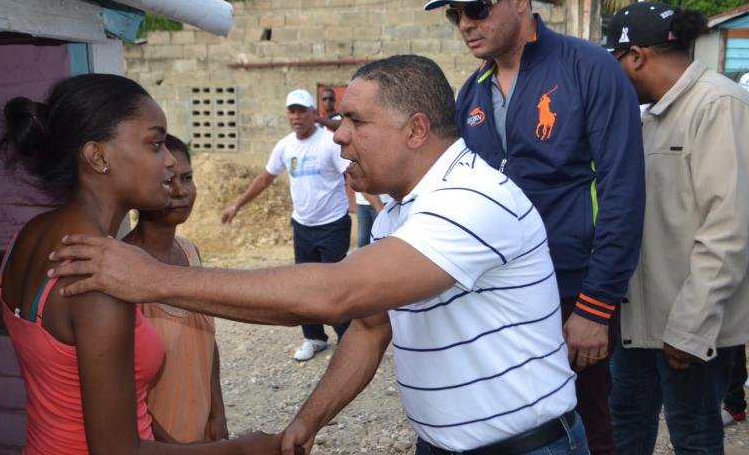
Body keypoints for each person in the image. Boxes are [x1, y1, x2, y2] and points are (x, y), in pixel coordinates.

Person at [50, 55, 589, 455]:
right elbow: (371, 326)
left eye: (356, 122)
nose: (339, 138)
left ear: (416, 129)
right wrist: (308, 421)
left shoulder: (471, 201)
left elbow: (335, 294)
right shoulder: (406, 210)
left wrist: (153, 280)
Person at [423, 0, 645, 452]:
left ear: (520, 0)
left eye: (477, 8)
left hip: (572, 290)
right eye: (454, 13)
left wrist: (595, 304)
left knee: (589, 417)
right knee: (514, 420)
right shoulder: (471, 93)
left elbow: (623, 194)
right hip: (499, 292)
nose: (464, 24)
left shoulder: (590, 70)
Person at [0, 74, 277, 454]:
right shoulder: (98, 275)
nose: (168, 162)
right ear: (99, 156)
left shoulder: (28, 237)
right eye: (156, 144)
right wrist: (243, 450)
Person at [605, 1, 749, 453]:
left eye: (615, 61)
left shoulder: (718, 104)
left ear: (636, 57)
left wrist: (690, 327)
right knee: (624, 428)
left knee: (694, 437)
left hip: (690, 327)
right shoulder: (648, 117)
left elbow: (728, 230)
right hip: (638, 323)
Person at [220, 89, 351, 362]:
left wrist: (380, 211)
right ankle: (314, 337)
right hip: (303, 225)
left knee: (335, 284)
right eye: (292, 111)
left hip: (332, 225)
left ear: (314, 114)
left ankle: (348, 338)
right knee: (304, 285)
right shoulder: (285, 146)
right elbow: (264, 179)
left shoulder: (329, 142)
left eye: (302, 110)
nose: (296, 116)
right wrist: (237, 204)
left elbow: (352, 175)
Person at [123, 134, 228, 443]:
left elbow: (207, 341)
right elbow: (122, 391)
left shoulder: (189, 252)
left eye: (187, 178)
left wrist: (217, 413)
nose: (181, 191)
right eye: (168, 181)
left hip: (200, 433)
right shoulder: (122, 270)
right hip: (155, 441)